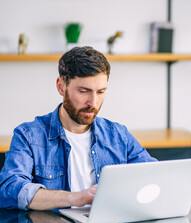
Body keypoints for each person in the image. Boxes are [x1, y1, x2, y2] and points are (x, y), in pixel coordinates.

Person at [0, 46, 157, 210]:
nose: (93, 103)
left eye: (101, 92)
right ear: (61, 86)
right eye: (84, 91)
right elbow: (10, 189)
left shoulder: (118, 135)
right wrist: (75, 198)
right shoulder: (28, 136)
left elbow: (153, 176)